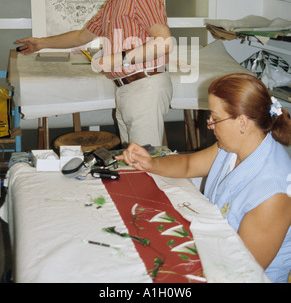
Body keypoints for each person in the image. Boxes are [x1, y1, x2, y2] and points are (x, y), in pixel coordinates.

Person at [117, 73, 291, 283]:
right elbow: (189, 164)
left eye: (215, 119)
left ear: (242, 122)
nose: (209, 124)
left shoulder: (272, 194)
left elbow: (241, 272)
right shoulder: (234, 146)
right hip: (217, 252)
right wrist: (151, 163)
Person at [15, 0, 173, 147]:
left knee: (144, 163)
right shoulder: (114, 2)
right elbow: (82, 36)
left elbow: (164, 43)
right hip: (126, 89)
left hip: (145, 87)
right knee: (132, 162)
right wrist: (41, 43)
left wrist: (118, 58)